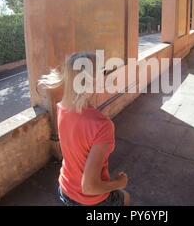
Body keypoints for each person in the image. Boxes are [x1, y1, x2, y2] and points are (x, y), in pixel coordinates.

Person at [38, 52, 130, 206]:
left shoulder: (62, 108)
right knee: (125, 197)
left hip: (65, 189)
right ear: (92, 81)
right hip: (88, 200)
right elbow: (89, 187)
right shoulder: (102, 126)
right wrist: (119, 183)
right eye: (102, 72)